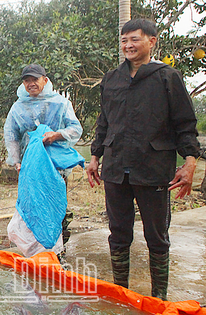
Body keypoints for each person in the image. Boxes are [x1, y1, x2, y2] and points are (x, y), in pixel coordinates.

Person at [86, 19, 199, 301]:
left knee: (157, 235)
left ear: (152, 41)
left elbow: (185, 123)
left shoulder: (166, 77)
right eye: (124, 40)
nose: (128, 45)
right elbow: (104, 122)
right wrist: (95, 156)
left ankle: (158, 297)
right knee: (118, 233)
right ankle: (120, 292)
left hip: (153, 168)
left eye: (134, 40)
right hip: (115, 169)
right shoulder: (112, 79)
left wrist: (190, 161)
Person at [4, 64, 83, 254]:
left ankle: (57, 251)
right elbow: (11, 135)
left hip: (55, 166)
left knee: (55, 204)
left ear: (45, 80)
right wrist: (17, 162)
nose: (31, 84)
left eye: (34, 79)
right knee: (31, 204)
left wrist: (56, 135)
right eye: (26, 80)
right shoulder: (18, 107)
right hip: (29, 166)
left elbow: (75, 129)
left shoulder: (60, 103)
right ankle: (33, 251)